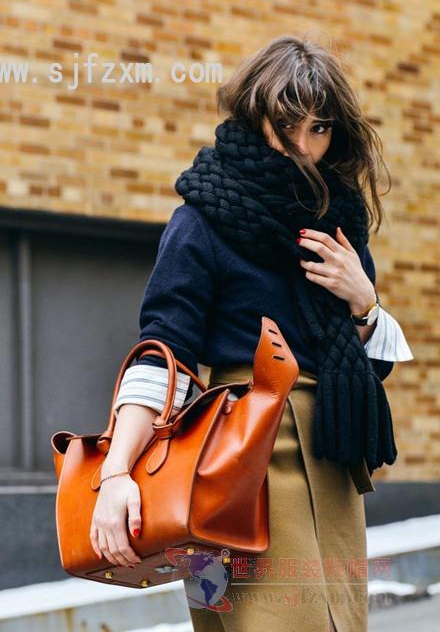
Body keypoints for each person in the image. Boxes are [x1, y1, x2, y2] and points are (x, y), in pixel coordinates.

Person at [89, 35, 413, 631]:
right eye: (288, 122)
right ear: (255, 110)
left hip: (334, 461)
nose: (303, 144)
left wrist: (364, 302)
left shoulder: (338, 228)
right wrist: (115, 474)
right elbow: (164, 353)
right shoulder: (203, 218)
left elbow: (369, 372)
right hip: (234, 461)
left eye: (320, 128)